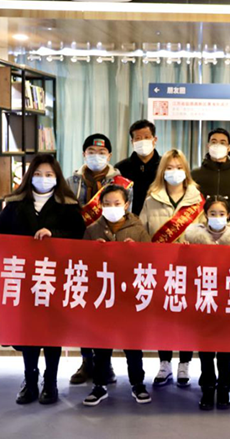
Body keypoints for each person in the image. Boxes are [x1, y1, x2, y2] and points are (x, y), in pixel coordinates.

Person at [0, 154, 86, 405]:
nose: (43, 179)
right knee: (28, 332)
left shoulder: (68, 204)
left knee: (52, 332)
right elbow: (1, 231)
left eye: (49, 175)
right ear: (29, 176)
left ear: (56, 177)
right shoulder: (15, 204)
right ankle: (30, 380)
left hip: (54, 279)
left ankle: (50, 381)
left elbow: (78, 234)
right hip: (24, 280)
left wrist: (53, 234)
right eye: (38, 174)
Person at [67, 133, 133, 385]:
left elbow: (127, 217)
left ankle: (105, 363)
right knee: (85, 309)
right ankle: (87, 362)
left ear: (110, 155)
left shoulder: (123, 184)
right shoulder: (71, 182)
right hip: (81, 253)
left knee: (108, 310)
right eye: (91, 152)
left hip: (113, 255)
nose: (96, 157)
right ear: (84, 154)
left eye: (102, 153)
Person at [139, 149, 205, 388]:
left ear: (186, 171)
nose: (174, 172)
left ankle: (184, 363)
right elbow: (143, 231)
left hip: (189, 269)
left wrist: (195, 244)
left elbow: (206, 233)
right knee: (163, 317)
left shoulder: (198, 200)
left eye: (178, 167)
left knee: (186, 317)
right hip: (160, 268)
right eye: (169, 168)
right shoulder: (151, 199)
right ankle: (164, 363)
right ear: (162, 171)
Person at [81, 185, 152, 406]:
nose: (112, 208)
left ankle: (137, 383)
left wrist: (136, 250)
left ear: (126, 205)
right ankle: (99, 385)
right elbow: (81, 261)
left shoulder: (138, 229)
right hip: (103, 294)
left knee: (133, 344)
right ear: (100, 206)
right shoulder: (92, 229)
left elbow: (151, 259)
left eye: (117, 203)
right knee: (101, 343)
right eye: (107, 204)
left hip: (130, 295)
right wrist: (93, 251)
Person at [186, 196, 230, 410]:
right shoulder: (194, 238)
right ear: (206, 215)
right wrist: (185, 252)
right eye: (213, 213)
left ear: (228, 215)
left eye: (221, 213)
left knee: (225, 348)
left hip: (229, 300)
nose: (217, 217)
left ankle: (224, 386)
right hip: (204, 299)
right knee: (205, 348)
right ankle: (208, 386)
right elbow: (183, 269)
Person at [115, 120, 161, 216]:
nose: (142, 142)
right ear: (132, 142)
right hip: (129, 218)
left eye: (147, 137)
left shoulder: (165, 166)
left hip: (158, 218)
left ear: (155, 139)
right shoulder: (121, 168)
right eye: (138, 138)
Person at [191, 127, 230, 199]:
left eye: (222, 143)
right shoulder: (195, 174)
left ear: (229, 148)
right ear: (208, 146)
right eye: (214, 142)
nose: (217, 145)